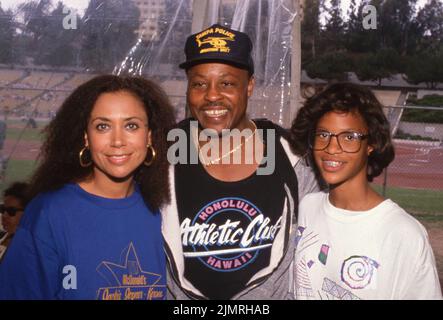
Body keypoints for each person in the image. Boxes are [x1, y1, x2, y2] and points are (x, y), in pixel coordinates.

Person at [162, 23, 319, 300]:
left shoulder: (288, 155)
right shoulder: (166, 150)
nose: (211, 95)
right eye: (199, 83)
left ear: (249, 86)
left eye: (227, 83)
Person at [0, 75, 175, 300]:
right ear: (86, 138)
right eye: (102, 126)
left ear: (149, 136)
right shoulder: (49, 212)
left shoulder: (163, 209)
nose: (118, 140)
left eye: (131, 125)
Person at [290, 82, 442, 300]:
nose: (332, 148)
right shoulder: (308, 207)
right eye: (323, 134)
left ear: (371, 143)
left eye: (349, 137)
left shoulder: (404, 234)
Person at [0, 182, 30, 261]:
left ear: (28, 212)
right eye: (3, 209)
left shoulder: (27, 251)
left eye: (11, 211)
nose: (4, 215)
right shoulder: (3, 237)